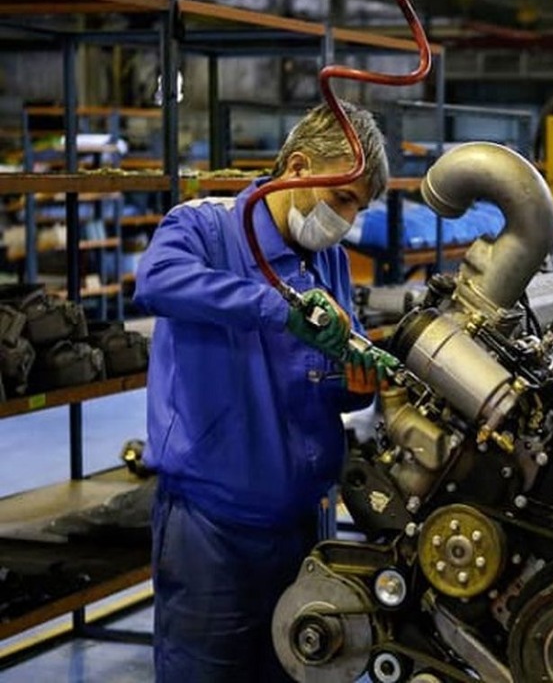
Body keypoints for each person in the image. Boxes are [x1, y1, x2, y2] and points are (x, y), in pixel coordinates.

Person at [134, 101, 390, 682]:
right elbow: (157, 281)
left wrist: (357, 384)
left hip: (305, 526)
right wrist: (277, 307)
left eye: (359, 207)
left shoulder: (330, 259)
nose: (346, 220)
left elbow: (331, 374)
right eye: (342, 199)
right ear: (298, 168)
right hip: (212, 529)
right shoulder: (206, 227)